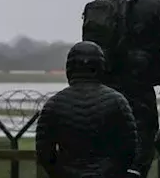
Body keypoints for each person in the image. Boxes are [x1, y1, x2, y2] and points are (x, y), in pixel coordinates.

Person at [96, 0, 160, 178]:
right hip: (139, 83)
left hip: (107, 83)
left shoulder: (110, 2)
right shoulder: (154, 4)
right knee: (144, 137)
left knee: (112, 137)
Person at [35, 41, 142, 178]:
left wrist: (61, 173)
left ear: (70, 67)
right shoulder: (117, 101)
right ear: (101, 66)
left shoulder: (54, 104)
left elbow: (44, 152)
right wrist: (111, 172)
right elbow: (129, 148)